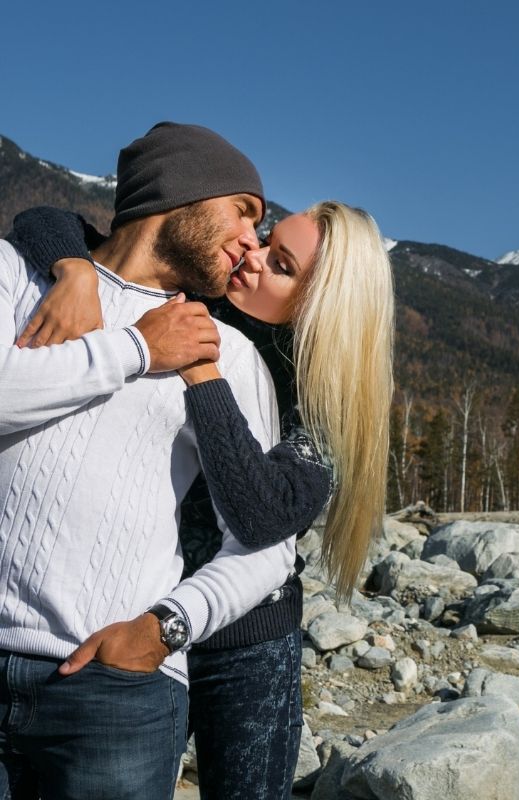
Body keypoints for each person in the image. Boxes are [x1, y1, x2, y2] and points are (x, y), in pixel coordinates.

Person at [8, 198, 395, 798]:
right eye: (266, 239)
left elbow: (262, 517)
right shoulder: (203, 293)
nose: (253, 256)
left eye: (282, 265)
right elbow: (43, 220)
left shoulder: (321, 402)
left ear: (323, 303)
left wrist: (205, 374)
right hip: (128, 620)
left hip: (245, 640)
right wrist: (76, 268)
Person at [0, 121, 301, 800]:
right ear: (180, 193)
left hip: (114, 695)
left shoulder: (224, 348)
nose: (254, 243)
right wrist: (133, 349)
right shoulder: (16, 273)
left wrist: (163, 631)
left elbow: (264, 541)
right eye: (245, 213)